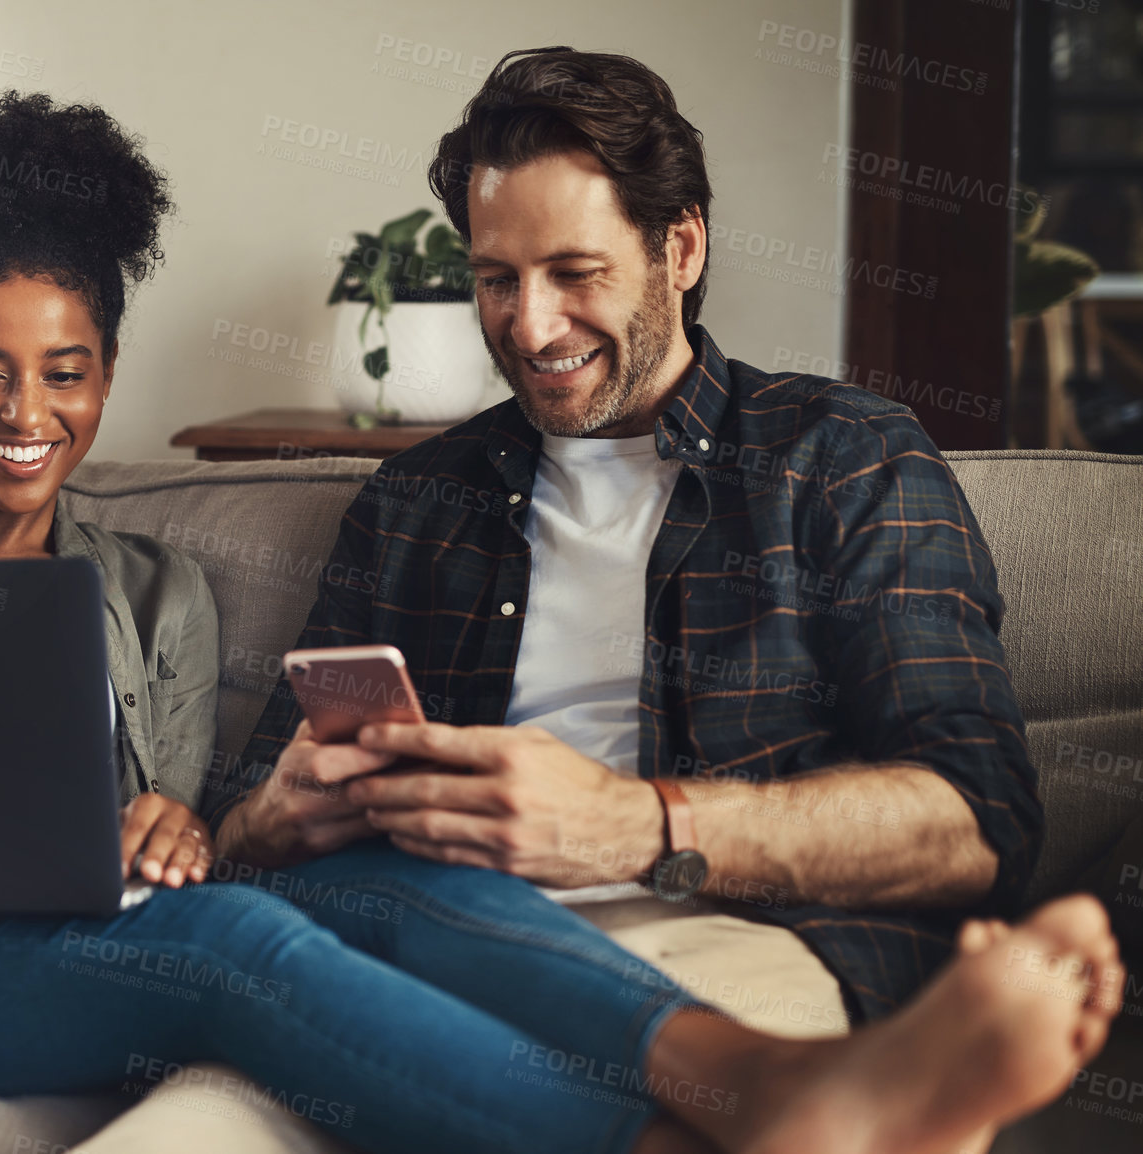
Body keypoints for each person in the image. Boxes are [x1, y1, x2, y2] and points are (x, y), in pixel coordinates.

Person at [0, 89, 1121, 1154]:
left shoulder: (142, 592)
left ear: (104, 374)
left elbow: (171, 853)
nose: (24, 410)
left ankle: (775, 1079)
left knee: (338, 884)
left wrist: (181, 820)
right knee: (230, 945)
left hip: (8, 946)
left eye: (67, 369)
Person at [201, 46, 1129, 1153]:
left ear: (677, 247)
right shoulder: (413, 502)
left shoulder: (840, 457)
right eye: (496, 278)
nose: (531, 326)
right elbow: (236, 828)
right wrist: (273, 817)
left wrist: (632, 827)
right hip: (412, 940)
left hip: (738, 943)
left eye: (573, 271)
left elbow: (979, 823)